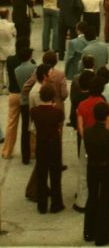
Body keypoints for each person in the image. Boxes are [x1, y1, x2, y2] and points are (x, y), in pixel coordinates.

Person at [83, 101, 109, 246]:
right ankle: (103, 235)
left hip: (92, 166)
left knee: (92, 197)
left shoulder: (87, 132)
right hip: (106, 166)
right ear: (107, 116)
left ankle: (89, 231)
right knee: (106, 200)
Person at [31, 83, 65, 213]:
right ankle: (56, 203)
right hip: (54, 143)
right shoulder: (57, 112)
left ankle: (42, 205)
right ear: (53, 97)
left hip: (41, 144)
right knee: (55, 174)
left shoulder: (34, 112)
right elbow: (59, 126)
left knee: (42, 174)